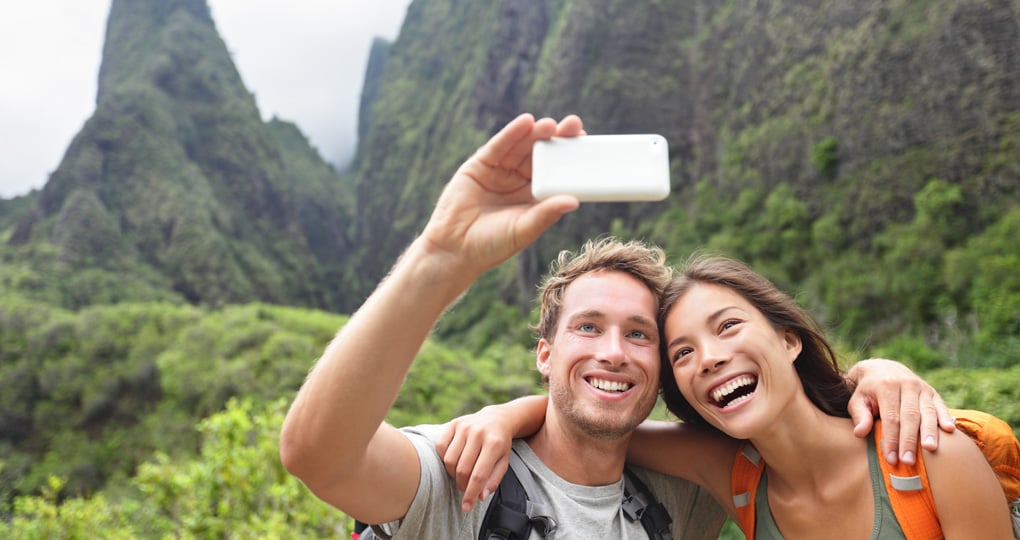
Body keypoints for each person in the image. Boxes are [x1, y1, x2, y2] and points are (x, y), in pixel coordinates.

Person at [279, 113, 952, 539]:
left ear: (664, 372)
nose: (614, 351)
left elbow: (799, 430)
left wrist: (873, 375)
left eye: (640, 336)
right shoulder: (465, 472)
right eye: (587, 328)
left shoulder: (688, 490)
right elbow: (318, 455)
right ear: (545, 352)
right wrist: (439, 261)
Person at [441, 254, 1013, 538]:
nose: (709, 357)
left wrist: (874, 369)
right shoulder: (734, 473)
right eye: (682, 352)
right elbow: (598, 418)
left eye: (729, 326)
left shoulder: (926, 456)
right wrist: (505, 414)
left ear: (788, 340)